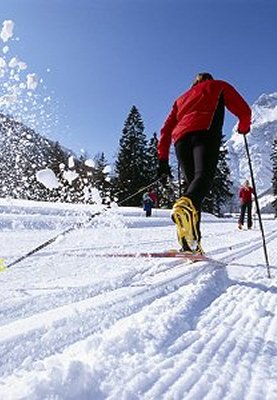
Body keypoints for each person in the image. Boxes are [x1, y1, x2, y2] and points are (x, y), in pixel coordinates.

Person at [157, 72, 252, 254]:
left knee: (194, 189)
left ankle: (190, 243)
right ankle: (186, 211)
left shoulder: (181, 99)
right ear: (209, 79)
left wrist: (162, 159)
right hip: (205, 133)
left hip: (181, 141)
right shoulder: (218, 85)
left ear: (194, 83)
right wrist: (243, 128)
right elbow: (244, 111)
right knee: (203, 178)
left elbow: (166, 129)